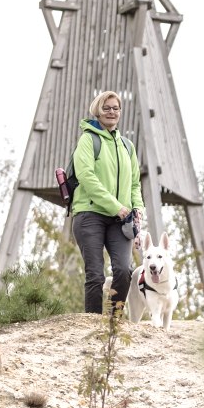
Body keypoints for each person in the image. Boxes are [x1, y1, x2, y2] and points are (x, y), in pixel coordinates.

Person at [71, 90, 144, 315]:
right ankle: (92, 324)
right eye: (107, 108)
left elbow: (134, 183)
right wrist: (117, 206)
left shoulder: (127, 146)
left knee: (123, 270)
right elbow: (87, 177)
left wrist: (137, 208)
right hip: (89, 215)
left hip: (120, 219)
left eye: (116, 108)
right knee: (95, 274)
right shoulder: (88, 139)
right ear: (97, 111)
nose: (112, 112)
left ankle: (114, 322)